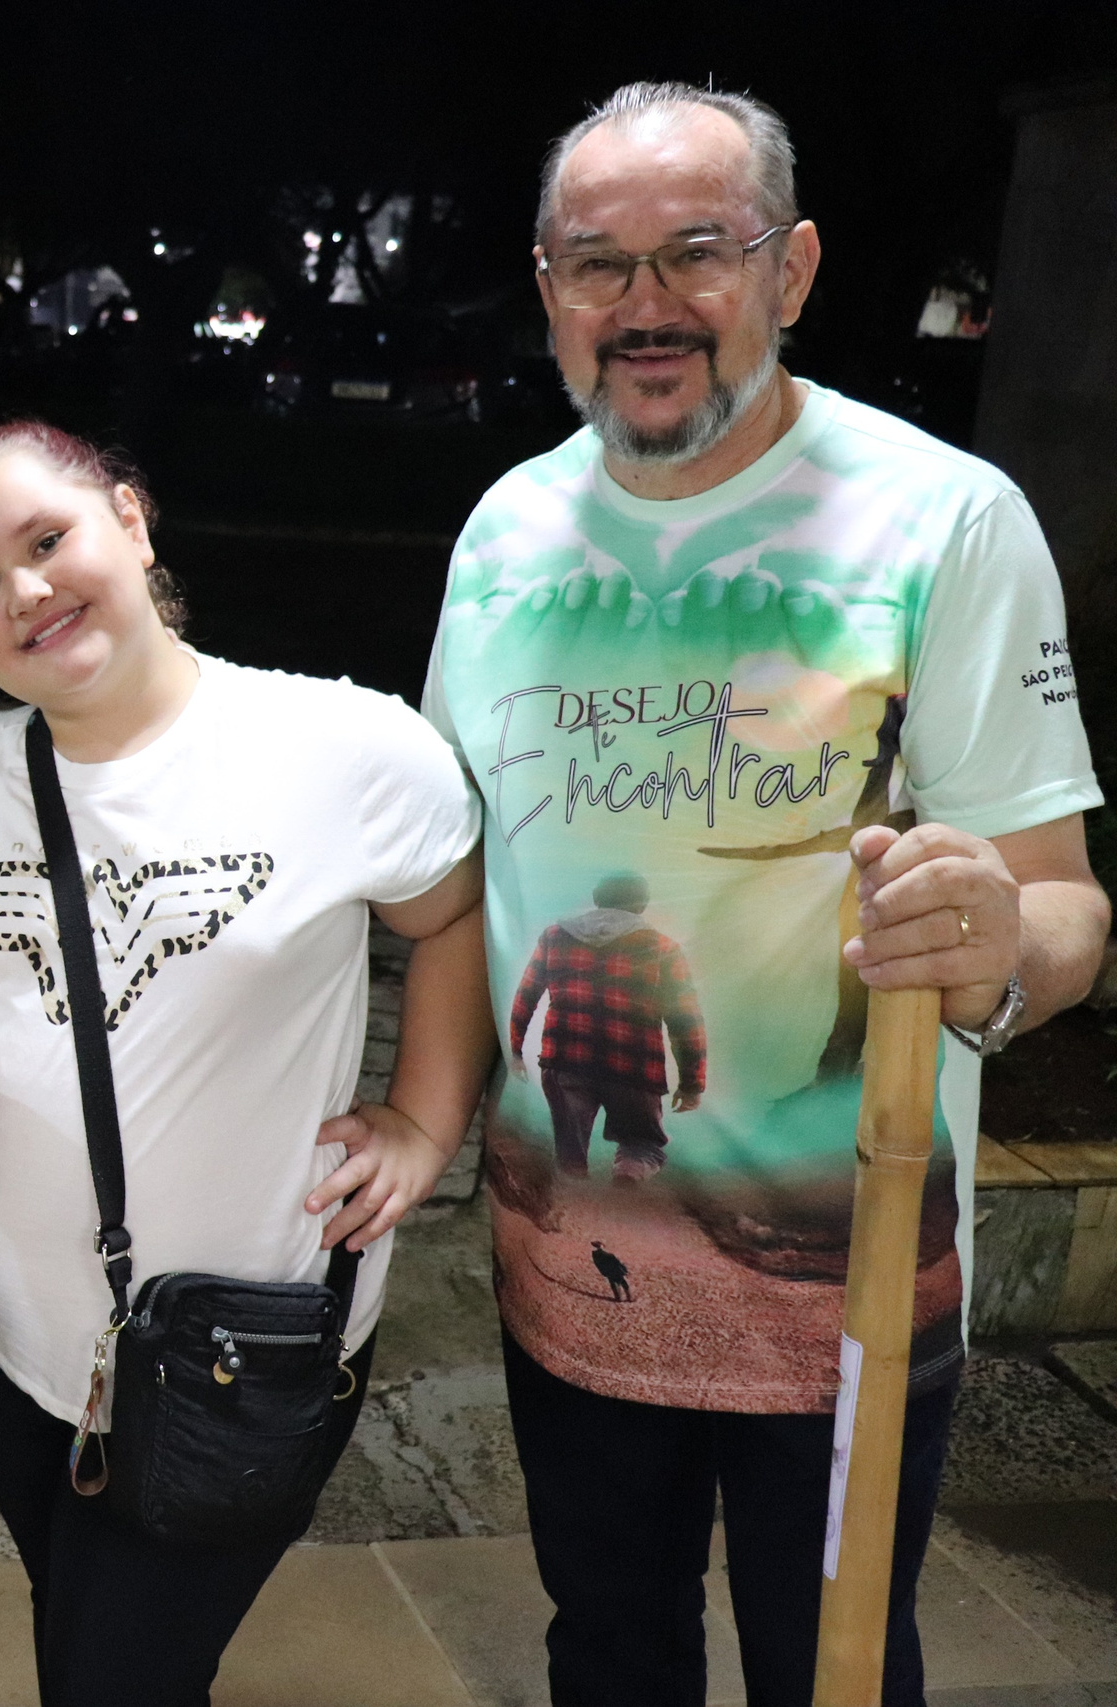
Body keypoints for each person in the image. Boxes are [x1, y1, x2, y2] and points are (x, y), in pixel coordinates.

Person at [421, 82, 1110, 1706]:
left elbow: (1066, 906)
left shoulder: (943, 520)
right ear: (549, 288)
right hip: (569, 1269)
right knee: (609, 1649)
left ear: (789, 269)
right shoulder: (506, 533)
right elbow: (449, 875)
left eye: (697, 251)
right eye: (599, 262)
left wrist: (1001, 953)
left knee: (838, 1671)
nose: (645, 301)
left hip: (846, 1278)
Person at [0, 420, 491, 1707]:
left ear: (132, 522)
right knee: (85, 1639)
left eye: (48, 540)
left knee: (111, 1673)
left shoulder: (341, 748)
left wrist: (424, 1125)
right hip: (10, 1337)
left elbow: (455, 915)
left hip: (241, 1349)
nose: (23, 590)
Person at [506, 870, 706, 1180]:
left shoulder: (554, 937)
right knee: (641, 1146)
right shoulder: (663, 948)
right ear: (642, 904)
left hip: (565, 1061)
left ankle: (575, 1198)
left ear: (597, 899)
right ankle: (628, 1176)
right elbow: (685, 1018)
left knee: (569, 1154)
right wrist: (691, 1084)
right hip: (635, 1068)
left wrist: (516, 1050)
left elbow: (526, 995)